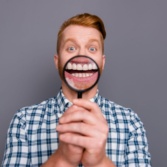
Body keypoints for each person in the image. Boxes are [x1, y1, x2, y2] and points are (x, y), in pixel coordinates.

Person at [2, 13, 151, 167]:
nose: (81, 55)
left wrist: (100, 162)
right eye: (71, 48)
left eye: (92, 48)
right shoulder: (24, 121)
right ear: (57, 61)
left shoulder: (130, 122)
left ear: (102, 62)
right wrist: (62, 159)